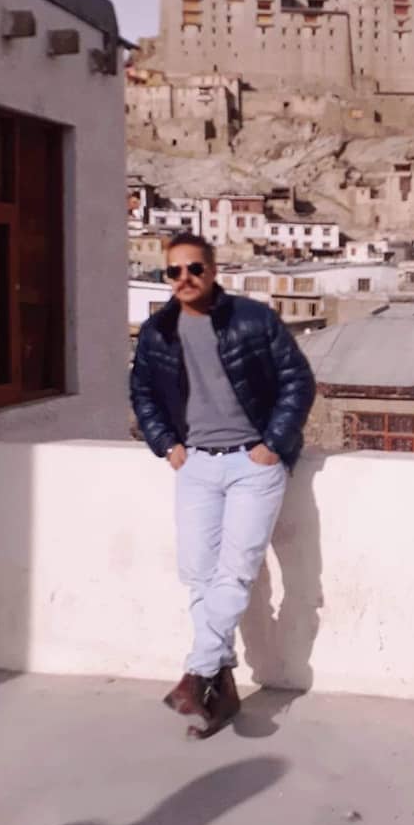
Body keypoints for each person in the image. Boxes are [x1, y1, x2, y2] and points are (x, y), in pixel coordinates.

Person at [130, 232, 316, 737]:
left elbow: (297, 380)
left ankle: (197, 673)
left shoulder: (253, 319)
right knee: (198, 575)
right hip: (195, 465)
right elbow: (142, 391)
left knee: (235, 573)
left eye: (195, 268)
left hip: (252, 463)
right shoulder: (158, 332)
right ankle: (220, 687)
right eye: (174, 271)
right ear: (166, 277)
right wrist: (166, 443)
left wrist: (273, 443)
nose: (185, 278)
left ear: (213, 272)